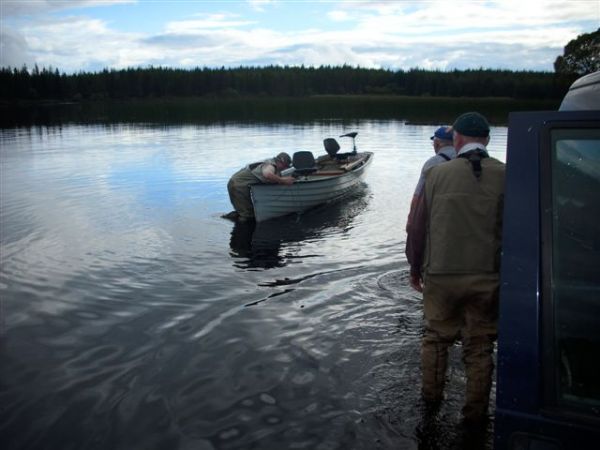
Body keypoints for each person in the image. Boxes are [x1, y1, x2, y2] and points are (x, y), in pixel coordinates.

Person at [405, 112, 505, 423]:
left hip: (441, 275)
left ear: (457, 139)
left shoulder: (436, 174)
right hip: (487, 276)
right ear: (487, 140)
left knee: (436, 339)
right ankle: (475, 417)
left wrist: (414, 268)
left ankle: (430, 404)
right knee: (480, 346)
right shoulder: (508, 174)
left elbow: (417, 227)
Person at [406, 126, 455, 232]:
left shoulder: (432, 163)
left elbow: (418, 196)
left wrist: (411, 222)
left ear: (437, 143)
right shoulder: (466, 159)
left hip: (437, 219)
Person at [226, 152, 294, 221]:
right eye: (285, 166)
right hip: (238, 185)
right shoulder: (271, 165)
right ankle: (242, 225)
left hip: (236, 183)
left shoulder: (269, 162)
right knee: (247, 215)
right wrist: (283, 180)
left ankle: (232, 219)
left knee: (244, 210)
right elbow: (267, 174)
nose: (285, 168)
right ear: (279, 162)